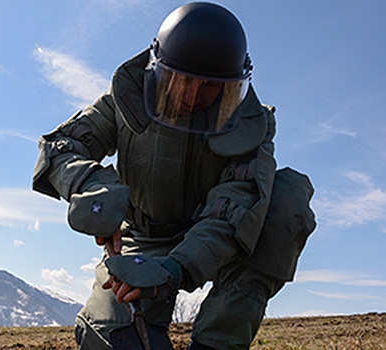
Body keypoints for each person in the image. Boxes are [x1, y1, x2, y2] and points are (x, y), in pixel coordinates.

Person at [32, 2, 316, 349]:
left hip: (218, 239)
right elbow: (60, 147)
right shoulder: (126, 98)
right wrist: (90, 185)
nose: (192, 96)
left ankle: (218, 342)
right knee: (113, 339)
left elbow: (230, 218)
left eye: (209, 86)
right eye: (182, 80)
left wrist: (175, 270)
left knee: (286, 199)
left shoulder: (251, 131)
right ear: (157, 68)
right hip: (141, 236)